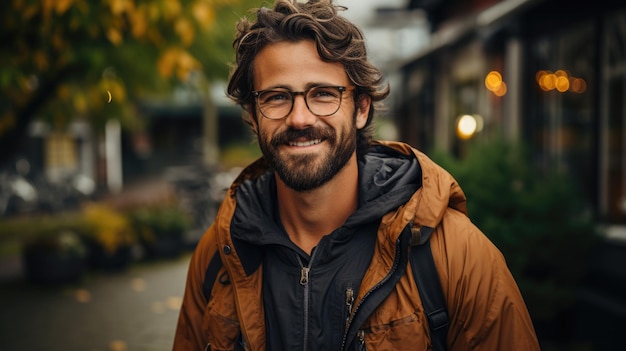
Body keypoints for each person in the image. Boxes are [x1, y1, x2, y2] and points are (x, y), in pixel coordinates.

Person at [173, 0, 540, 350]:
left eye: (323, 94)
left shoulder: (456, 255)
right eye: (276, 97)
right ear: (253, 116)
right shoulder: (220, 255)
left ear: (361, 109)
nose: (300, 118)